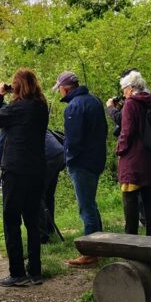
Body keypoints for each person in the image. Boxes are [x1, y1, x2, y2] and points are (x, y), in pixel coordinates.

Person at [0, 68, 49, 287]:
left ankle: (17, 273)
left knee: (12, 221)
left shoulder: (17, 108)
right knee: (32, 221)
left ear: (17, 87)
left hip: (15, 171)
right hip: (37, 169)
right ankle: (36, 270)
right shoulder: (42, 107)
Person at [52, 71, 108, 267]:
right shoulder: (94, 101)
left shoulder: (74, 107)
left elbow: (74, 140)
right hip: (96, 159)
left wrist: (69, 159)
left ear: (65, 88)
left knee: (86, 207)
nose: (59, 92)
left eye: (59, 88)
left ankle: (90, 252)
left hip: (82, 163)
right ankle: (102, 245)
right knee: (90, 204)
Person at [106, 71, 151, 236]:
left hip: (134, 158)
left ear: (131, 89)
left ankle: (131, 240)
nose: (123, 93)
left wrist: (120, 150)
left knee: (130, 198)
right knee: (149, 199)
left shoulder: (131, 103)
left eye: (124, 89)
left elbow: (127, 131)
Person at [0, 128, 64, 245]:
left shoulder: (9, 119)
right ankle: (50, 230)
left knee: (36, 195)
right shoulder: (30, 114)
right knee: (48, 194)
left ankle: (42, 237)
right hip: (58, 153)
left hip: (46, 156)